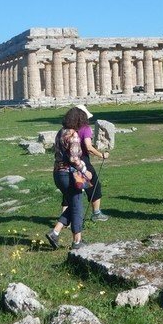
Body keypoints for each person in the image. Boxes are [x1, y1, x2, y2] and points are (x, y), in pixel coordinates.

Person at [46, 107, 93, 250]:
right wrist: (85, 171)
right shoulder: (73, 135)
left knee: (73, 204)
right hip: (69, 174)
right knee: (77, 206)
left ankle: (55, 232)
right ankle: (77, 242)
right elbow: (74, 158)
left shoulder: (60, 132)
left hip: (57, 173)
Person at [74, 104, 110, 222]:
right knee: (94, 185)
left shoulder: (70, 128)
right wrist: (101, 155)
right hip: (82, 159)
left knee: (72, 189)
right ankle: (96, 213)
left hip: (70, 160)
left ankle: (67, 218)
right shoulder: (85, 128)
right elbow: (88, 147)